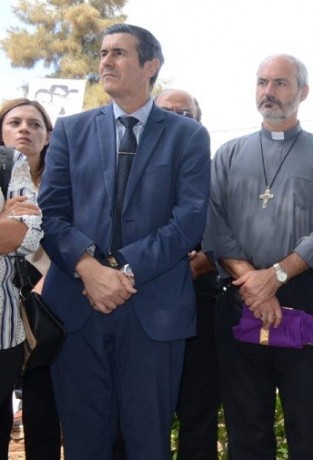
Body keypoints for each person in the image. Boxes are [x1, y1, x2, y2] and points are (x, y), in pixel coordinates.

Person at [38, 24, 211, 459]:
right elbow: (50, 214)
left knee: (147, 444)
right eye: (102, 53)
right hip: (78, 307)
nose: (105, 62)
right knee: (83, 443)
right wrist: (90, 270)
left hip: (152, 311)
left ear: (150, 66)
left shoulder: (187, 135)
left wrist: (124, 272)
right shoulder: (70, 130)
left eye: (118, 53)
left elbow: (189, 221)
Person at [205, 54, 313, 460]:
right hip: (241, 296)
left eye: (280, 83)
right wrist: (255, 280)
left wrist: (277, 276)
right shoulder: (229, 154)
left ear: (303, 92)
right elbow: (214, 223)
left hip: (303, 295)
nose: (268, 92)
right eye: (262, 82)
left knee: (310, 420)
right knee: (245, 419)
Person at [153, 89, 220, 460]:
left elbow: (227, 235)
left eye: (187, 113)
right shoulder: (129, 165)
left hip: (200, 307)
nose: (178, 118)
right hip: (142, 305)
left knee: (198, 414)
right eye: (168, 111)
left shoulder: (216, 172)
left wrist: (194, 265)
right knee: (144, 414)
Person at [1, 98, 61, 459]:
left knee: (43, 408)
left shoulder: (63, 182)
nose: (25, 129)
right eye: (15, 122)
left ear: (49, 135)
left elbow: (26, 236)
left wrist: (13, 222)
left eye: (35, 124)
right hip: (13, 305)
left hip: (46, 313)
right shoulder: (7, 172)